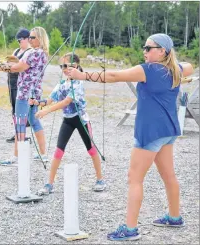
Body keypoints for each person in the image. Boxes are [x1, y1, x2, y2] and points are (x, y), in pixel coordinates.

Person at [68, 33, 194, 241]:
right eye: (144, 47)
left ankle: (130, 229)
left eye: (148, 48)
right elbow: (188, 66)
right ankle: (174, 217)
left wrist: (82, 76)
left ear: (162, 51)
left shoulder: (148, 70)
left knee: (134, 179)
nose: (144, 51)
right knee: (169, 175)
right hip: (168, 130)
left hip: (150, 132)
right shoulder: (175, 69)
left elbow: (114, 76)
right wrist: (173, 62)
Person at [30, 53, 106, 195]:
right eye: (62, 66)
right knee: (58, 150)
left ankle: (100, 179)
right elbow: (50, 100)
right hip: (68, 120)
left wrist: (46, 112)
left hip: (81, 120)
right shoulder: (61, 84)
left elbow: (66, 102)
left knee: (91, 149)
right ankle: (49, 184)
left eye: (67, 66)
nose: (64, 69)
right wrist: (37, 102)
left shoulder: (78, 83)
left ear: (75, 66)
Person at [0, 26, 50, 164]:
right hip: (35, 93)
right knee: (34, 120)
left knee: (19, 123)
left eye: (32, 37)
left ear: (39, 38)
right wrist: (2, 63)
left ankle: (15, 156)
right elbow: (17, 64)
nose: (30, 40)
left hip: (25, 93)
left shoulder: (34, 53)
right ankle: (43, 154)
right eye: (29, 37)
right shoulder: (43, 53)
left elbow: (17, 68)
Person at [6, 28, 32, 143]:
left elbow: (20, 66)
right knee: (14, 107)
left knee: (21, 110)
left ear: (27, 39)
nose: (19, 42)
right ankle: (17, 133)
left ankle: (22, 134)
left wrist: (14, 65)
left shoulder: (30, 52)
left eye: (20, 40)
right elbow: (10, 62)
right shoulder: (17, 51)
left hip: (22, 84)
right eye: (18, 40)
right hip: (11, 81)